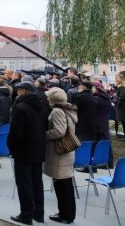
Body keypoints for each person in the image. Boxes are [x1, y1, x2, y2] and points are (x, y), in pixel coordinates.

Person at [7, 81, 47, 225]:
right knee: (37, 182)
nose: (18, 92)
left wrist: (11, 146)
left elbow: (16, 132)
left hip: (23, 150)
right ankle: (39, 213)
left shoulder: (21, 107)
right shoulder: (41, 106)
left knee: (24, 183)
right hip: (38, 148)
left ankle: (26, 214)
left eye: (19, 90)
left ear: (24, 91)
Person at [44, 87, 77, 224]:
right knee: (66, 183)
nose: (46, 99)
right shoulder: (68, 109)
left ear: (53, 99)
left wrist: (44, 134)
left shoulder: (57, 111)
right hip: (66, 151)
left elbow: (59, 131)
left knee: (62, 185)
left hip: (59, 152)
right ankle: (67, 214)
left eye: (48, 97)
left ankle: (65, 215)